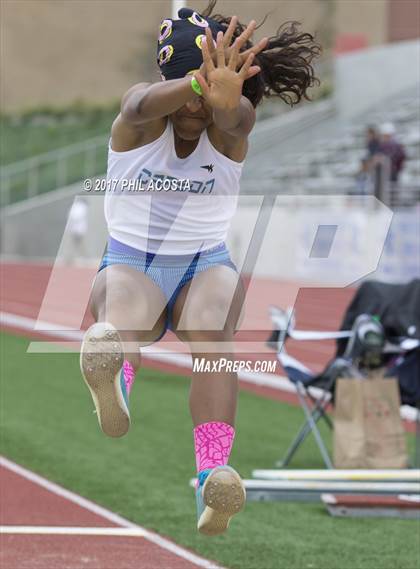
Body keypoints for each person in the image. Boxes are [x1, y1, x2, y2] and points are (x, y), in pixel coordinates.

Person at [80, 2, 320, 536]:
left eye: (207, 98)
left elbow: (236, 116)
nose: (196, 111)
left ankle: (213, 478)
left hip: (203, 263)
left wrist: (222, 96)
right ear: (177, 79)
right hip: (132, 261)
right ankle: (113, 382)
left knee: (214, 333)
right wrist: (196, 83)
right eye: (189, 94)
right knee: (121, 305)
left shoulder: (231, 126)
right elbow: (142, 102)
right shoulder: (140, 118)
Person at [377, 122, 406, 206]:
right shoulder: (382, 145)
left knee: (392, 189)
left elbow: (400, 157)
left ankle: (393, 205)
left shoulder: (396, 145)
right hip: (384, 173)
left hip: (393, 172)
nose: (384, 137)